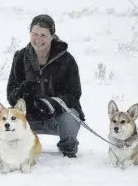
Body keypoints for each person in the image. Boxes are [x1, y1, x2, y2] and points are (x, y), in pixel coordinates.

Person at [6, 14, 85, 158]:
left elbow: (74, 95)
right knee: (9, 115)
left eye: (43, 35)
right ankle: (14, 146)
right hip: (29, 117)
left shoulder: (67, 60)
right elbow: (11, 96)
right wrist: (24, 90)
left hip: (56, 118)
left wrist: (53, 103)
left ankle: (68, 147)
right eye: (34, 34)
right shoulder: (20, 57)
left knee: (72, 115)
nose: (38, 39)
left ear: (52, 36)